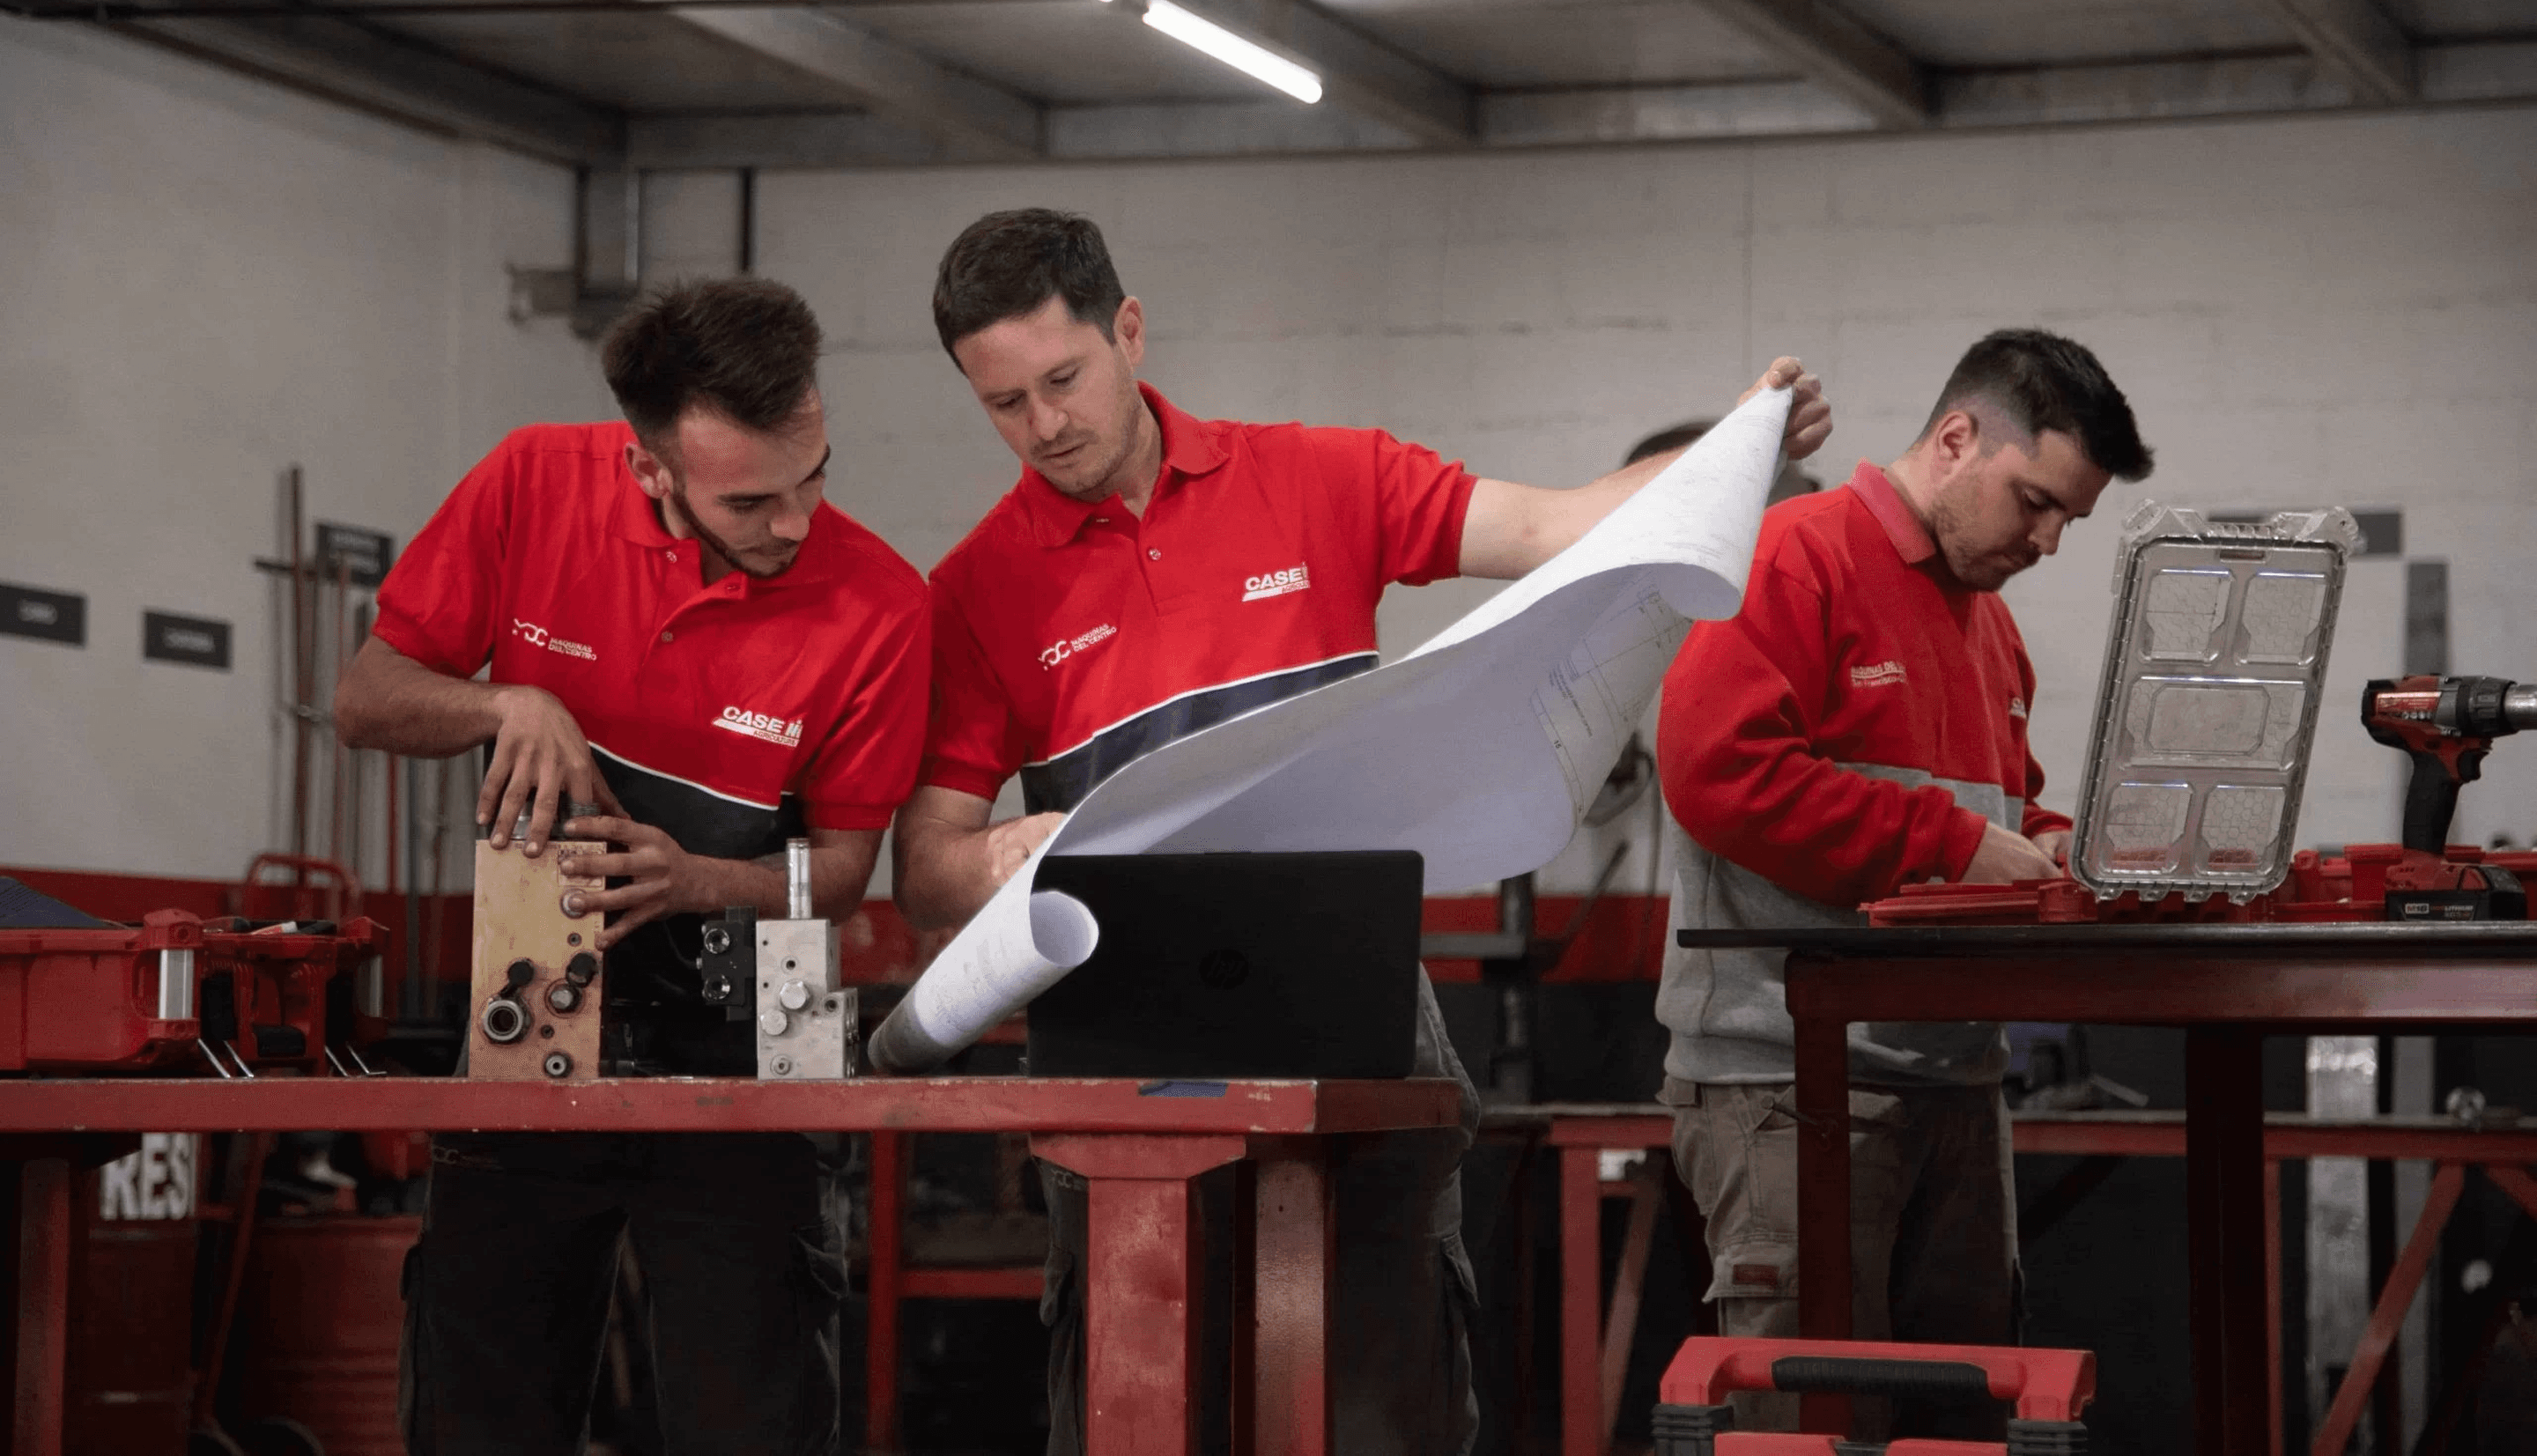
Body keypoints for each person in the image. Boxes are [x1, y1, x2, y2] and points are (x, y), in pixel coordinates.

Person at [890, 207, 1833, 1455]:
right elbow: (926, 868)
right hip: (1122, 1043)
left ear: (1127, 329)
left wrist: (1736, 446)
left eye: (1062, 381)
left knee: (1386, 1388)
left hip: (1359, 1010)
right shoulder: (978, 589)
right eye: (1003, 404)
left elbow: (1558, 527)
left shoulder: (1314, 478)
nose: (1044, 426)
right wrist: (1007, 853)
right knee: (1142, 1394)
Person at [333, 277, 928, 1456]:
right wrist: (508, 700)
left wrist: (697, 878)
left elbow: (847, 878)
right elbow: (363, 700)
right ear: (650, 470)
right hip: (536, 978)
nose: (796, 521)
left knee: (753, 1405)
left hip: (770, 1021)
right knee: (484, 1391)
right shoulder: (528, 483)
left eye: (816, 473)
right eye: (751, 499)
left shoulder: (885, 604)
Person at [1654, 328, 2153, 1433]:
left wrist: (2063, 845)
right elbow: (1715, 774)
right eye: (2035, 501)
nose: (2050, 539)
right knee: (1811, 1422)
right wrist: (1944, 842)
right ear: (1956, 439)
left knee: (1959, 1417)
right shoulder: (1796, 558)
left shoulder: (1989, 628)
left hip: (1952, 1085)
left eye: (2070, 517)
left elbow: (2000, 817)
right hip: (1788, 1085)